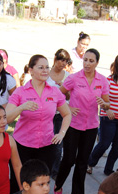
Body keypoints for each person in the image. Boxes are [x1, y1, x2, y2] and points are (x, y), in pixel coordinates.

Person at [54, 48, 110, 194]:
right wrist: (67, 108)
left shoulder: (102, 81)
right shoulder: (74, 78)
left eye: (91, 61)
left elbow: (107, 104)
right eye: (85, 60)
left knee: (82, 161)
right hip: (73, 125)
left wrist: (105, 105)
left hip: (91, 127)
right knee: (69, 159)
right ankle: (58, 183)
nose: (87, 63)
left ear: (97, 63)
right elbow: (59, 96)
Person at [6, 54, 71, 175]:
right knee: (19, 183)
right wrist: (21, 108)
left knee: (41, 185)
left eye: (47, 67)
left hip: (46, 146)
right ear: (31, 70)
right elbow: (6, 119)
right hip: (22, 146)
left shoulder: (54, 91)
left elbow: (67, 114)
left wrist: (61, 134)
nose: (45, 70)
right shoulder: (20, 92)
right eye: (41, 67)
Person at [47, 49, 71, 178]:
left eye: (65, 61)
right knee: (45, 141)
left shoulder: (67, 76)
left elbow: (69, 96)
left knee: (58, 144)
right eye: (61, 59)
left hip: (60, 114)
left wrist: (64, 88)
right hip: (46, 113)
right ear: (55, 58)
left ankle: (55, 171)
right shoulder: (46, 73)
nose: (63, 63)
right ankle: (45, 167)